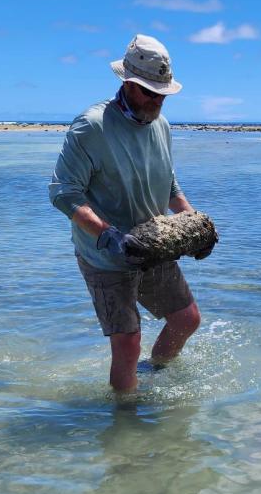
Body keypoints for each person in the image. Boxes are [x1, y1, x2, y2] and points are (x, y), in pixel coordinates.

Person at [48, 34, 213, 392]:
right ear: (127, 82)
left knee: (186, 320)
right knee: (127, 343)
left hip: (153, 245)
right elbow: (62, 192)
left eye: (162, 94)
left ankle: (156, 375)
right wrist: (108, 235)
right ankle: (126, 426)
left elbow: (169, 186)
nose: (156, 101)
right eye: (148, 92)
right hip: (105, 254)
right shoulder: (92, 126)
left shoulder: (162, 127)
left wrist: (196, 225)